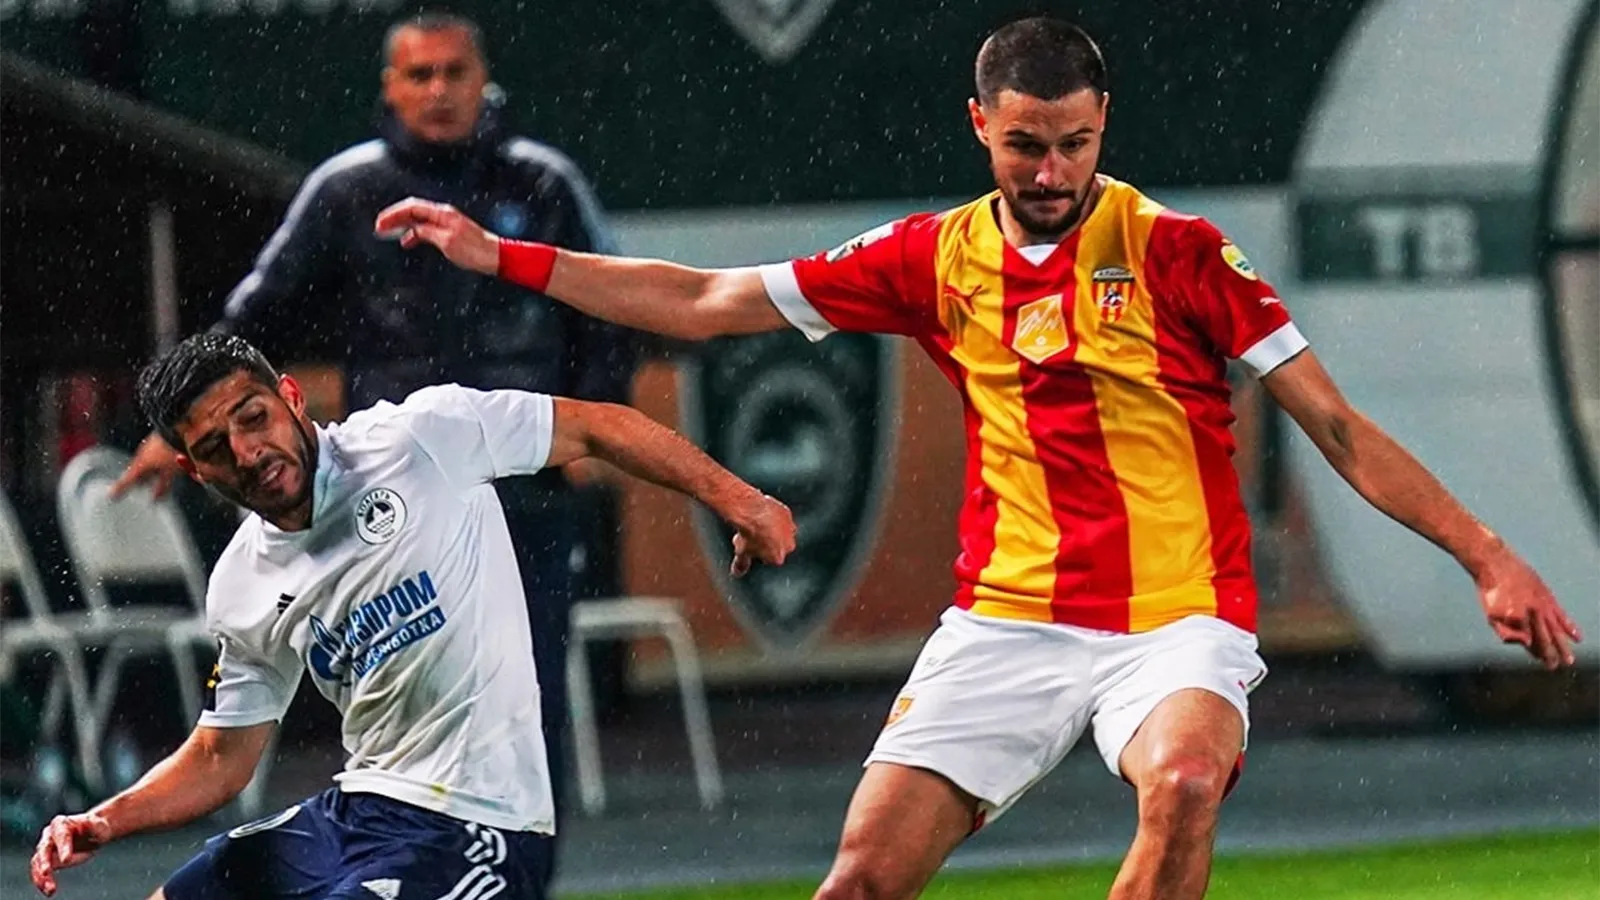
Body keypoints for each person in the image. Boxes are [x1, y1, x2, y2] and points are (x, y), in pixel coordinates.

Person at [375, 16, 1585, 900]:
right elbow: (703, 299)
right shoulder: (931, 258)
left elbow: (1339, 429)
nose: (1049, 174)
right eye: (1023, 147)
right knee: (860, 879)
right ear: (979, 127)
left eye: (1072, 145)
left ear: (1101, 127)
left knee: (1180, 789)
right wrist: (503, 257)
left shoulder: (1179, 253)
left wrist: (1486, 556)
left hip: (1176, 618)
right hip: (1007, 622)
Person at [110, 12, 637, 864]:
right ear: (390, 88)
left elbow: (608, 307)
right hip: (389, 493)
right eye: (420, 75)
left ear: (484, 79)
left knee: (528, 698)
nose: (439, 90)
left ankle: (513, 878)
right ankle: (410, 870)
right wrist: (168, 433)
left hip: (523, 486)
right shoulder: (349, 189)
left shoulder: (543, 182)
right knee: (392, 702)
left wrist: (587, 432)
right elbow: (255, 315)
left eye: (454, 72)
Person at [29, 333, 794, 899]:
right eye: (217, 448)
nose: (249, 451)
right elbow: (221, 757)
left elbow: (597, 425)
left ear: (291, 397)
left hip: (478, 824)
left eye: (254, 418)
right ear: (193, 470)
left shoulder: (421, 437)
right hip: (355, 815)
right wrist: (106, 819)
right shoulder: (243, 583)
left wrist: (742, 500)